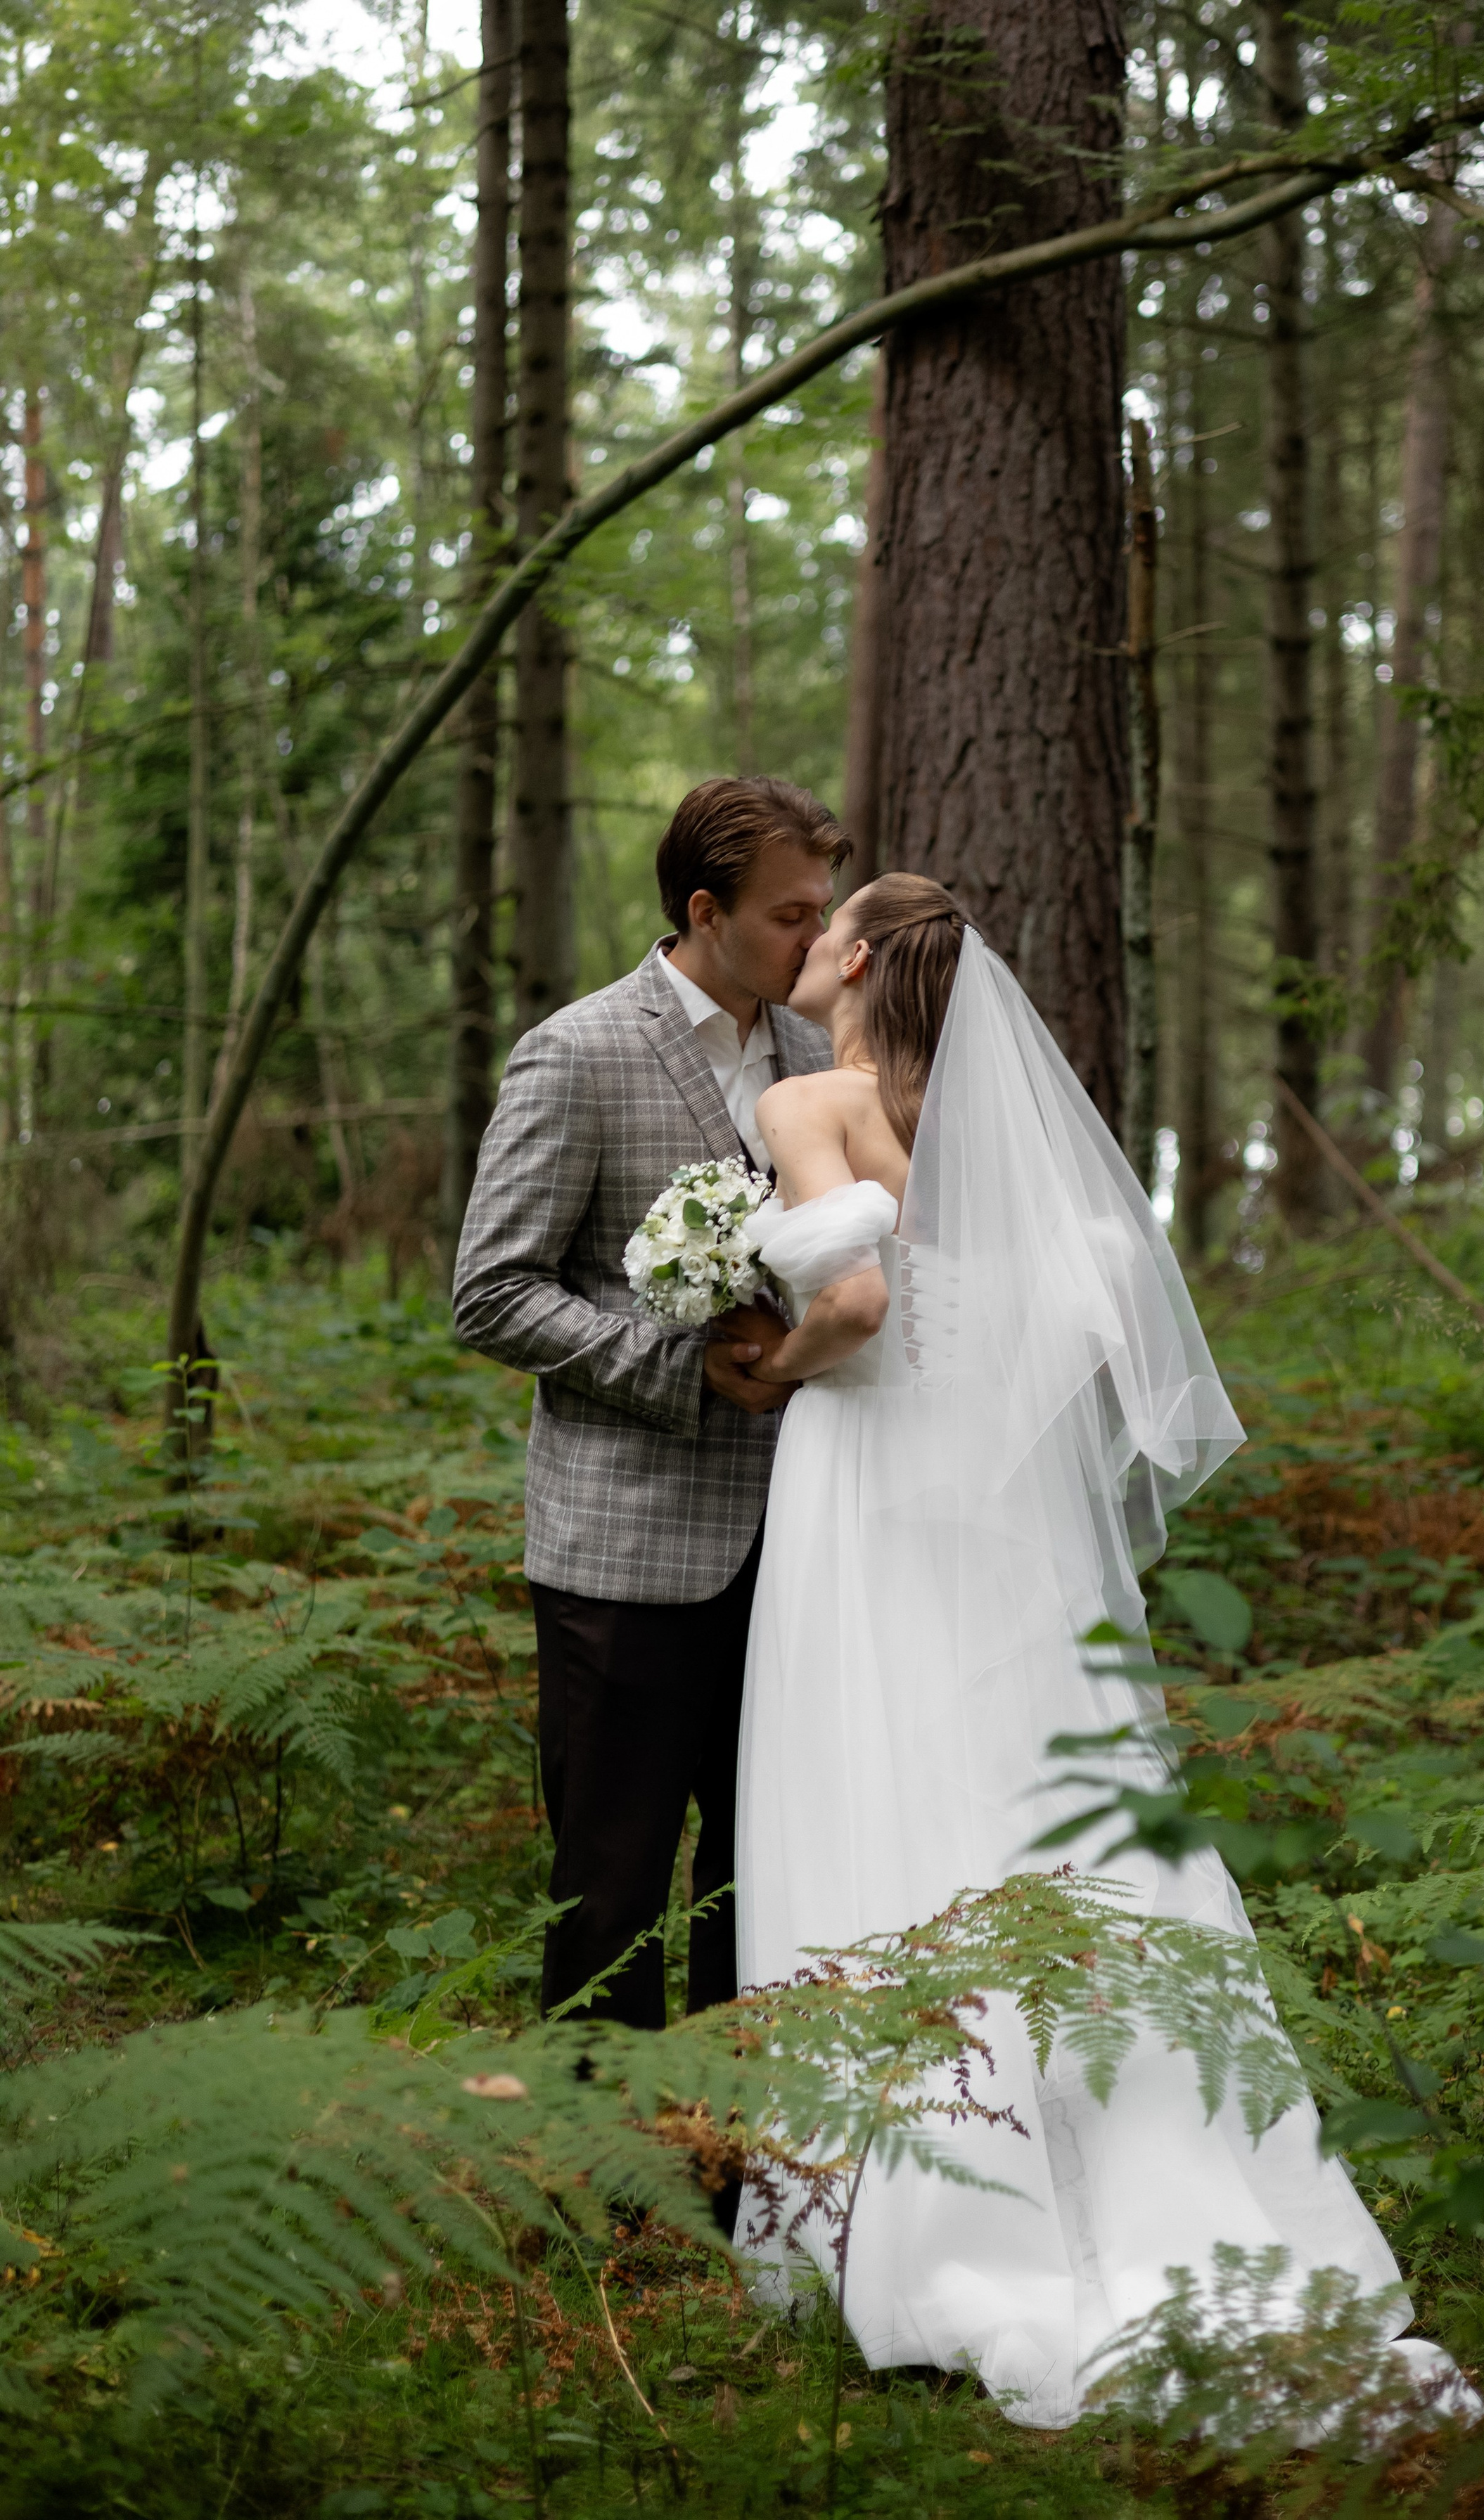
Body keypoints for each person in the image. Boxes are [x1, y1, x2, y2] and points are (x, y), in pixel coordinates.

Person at [727, 871, 1471, 2430]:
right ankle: (1145, 2183)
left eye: (822, 927)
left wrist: (768, 1367)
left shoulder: (813, 1100)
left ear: (853, 960)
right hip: (998, 1545)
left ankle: (917, 2216)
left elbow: (854, 1301)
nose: (801, 949)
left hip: (864, 1506)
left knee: (876, 1803)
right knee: (1025, 1822)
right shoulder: (993, 1152)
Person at [451, 776, 840, 2070]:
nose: (815, 939)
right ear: (703, 910)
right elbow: (494, 1292)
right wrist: (679, 1369)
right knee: (611, 1882)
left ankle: (736, 2154)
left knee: (759, 1869)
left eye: (822, 911)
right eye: (792, 915)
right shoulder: (577, 1050)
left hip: (795, 1541)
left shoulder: (815, 1060)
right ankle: (606, 2165)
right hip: (623, 1553)